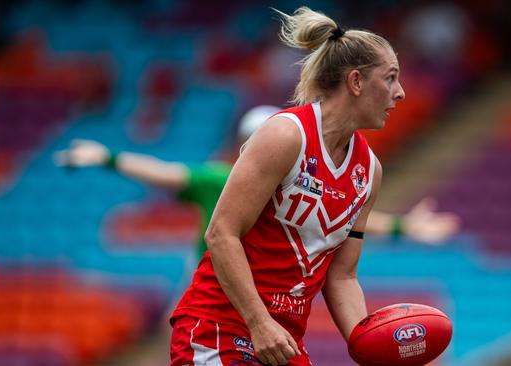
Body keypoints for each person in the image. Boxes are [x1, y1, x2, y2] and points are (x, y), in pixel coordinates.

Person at [165, 6, 415, 366]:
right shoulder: (285, 135)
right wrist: (259, 322)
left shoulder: (369, 171)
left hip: (282, 343)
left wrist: (370, 348)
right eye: (390, 78)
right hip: (220, 327)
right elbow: (221, 233)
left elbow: (342, 276)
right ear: (356, 82)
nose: (401, 92)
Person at [54, 112, 459, 262]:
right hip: (219, 298)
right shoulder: (217, 179)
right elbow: (162, 172)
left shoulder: (302, 185)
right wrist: (106, 158)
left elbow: (345, 222)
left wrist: (406, 228)